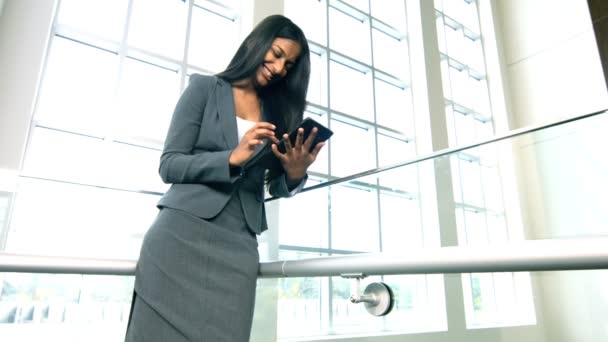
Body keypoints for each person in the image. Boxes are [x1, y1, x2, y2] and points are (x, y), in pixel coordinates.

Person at [124, 15, 323, 342]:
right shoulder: (204, 88)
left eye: (288, 65)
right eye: (275, 54)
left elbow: (275, 185)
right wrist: (230, 158)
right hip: (179, 237)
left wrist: (295, 172)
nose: (278, 68)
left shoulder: (276, 113)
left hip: (237, 247)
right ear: (256, 44)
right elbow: (170, 164)